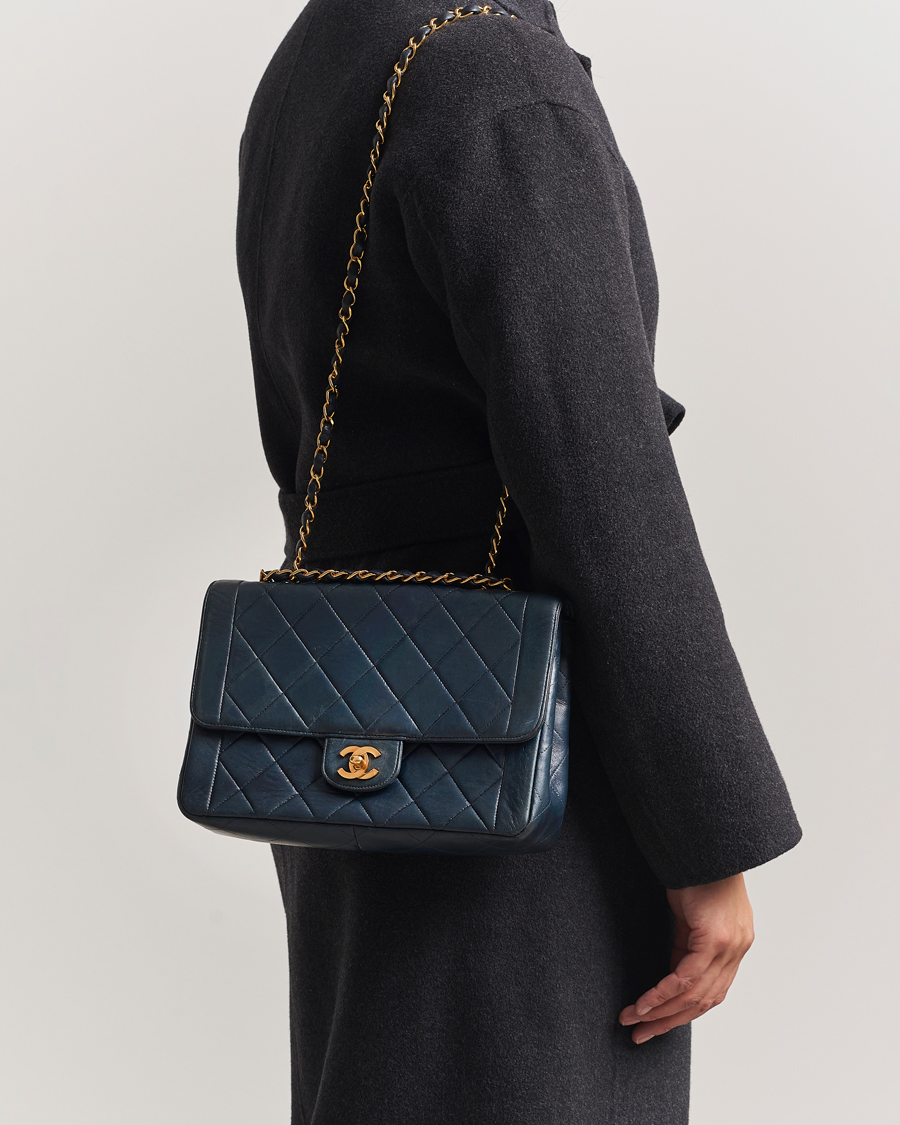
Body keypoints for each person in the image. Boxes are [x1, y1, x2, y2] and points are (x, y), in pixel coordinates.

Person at [235, 2, 801, 1122]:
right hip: (518, 766)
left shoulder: (319, 58)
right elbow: (602, 478)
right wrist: (708, 834)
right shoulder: (494, 75)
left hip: (350, 734)